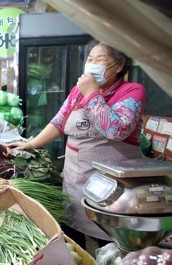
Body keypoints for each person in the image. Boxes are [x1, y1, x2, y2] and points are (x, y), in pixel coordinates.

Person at [9, 40, 145, 249]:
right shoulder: (77, 91)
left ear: (119, 66)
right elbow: (59, 122)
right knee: (74, 241)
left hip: (111, 188)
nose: (92, 65)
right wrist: (31, 144)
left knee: (109, 244)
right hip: (75, 180)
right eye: (90, 59)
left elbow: (116, 130)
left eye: (100, 60)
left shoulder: (132, 91)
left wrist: (92, 93)